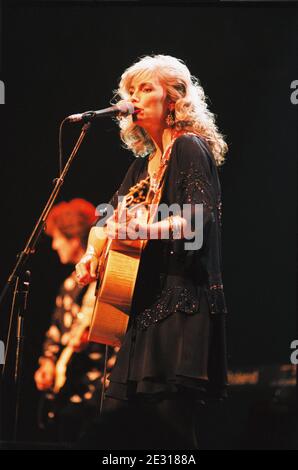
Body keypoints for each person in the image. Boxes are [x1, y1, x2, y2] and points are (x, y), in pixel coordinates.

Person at [75, 54, 228, 449]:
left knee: (172, 433)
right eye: (130, 92)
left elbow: (197, 220)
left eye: (146, 89)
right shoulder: (143, 167)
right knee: (117, 429)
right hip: (142, 312)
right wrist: (93, 254)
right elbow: (104, 219)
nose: (134, 99)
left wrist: (146, 227)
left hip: (180, 308)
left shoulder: (189, 148)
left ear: (173, 98)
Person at [34, 198, 118, 443]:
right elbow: (55, 330)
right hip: (70, 389)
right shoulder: (69, 285)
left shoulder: (107, 278)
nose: (54, 245)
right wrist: (48, 362)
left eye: (57, 238)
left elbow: (118, 331)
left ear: (73, 238)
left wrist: (92, 337)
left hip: (100, 390)